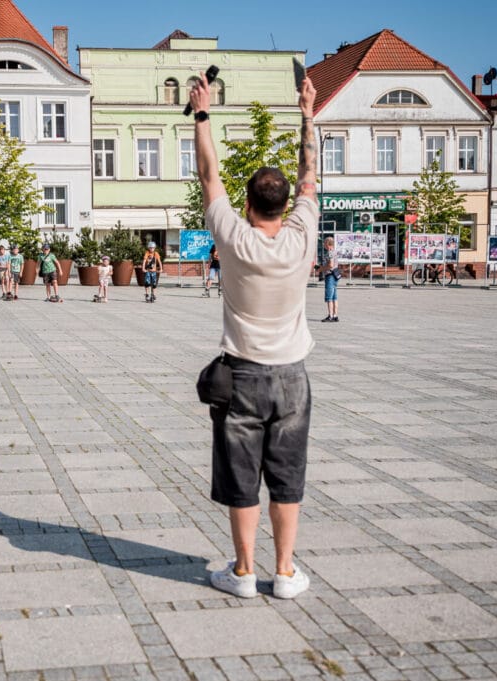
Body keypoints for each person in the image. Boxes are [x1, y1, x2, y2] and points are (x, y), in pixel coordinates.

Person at [190, 70, 319, 600]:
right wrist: (307, 112)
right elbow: (310, 171)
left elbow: (207, 174)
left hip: (241, 376)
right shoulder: (303, 231)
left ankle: (243, 571)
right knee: (286, 479)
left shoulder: (233, 237)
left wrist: (203, 111)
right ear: (287, 205)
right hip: (292, 378)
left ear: (247, 204)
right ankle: (285, 573)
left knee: (242, 478)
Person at [319, 236, 339, 322]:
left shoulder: (330, 252)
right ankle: (335, 315)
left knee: (329, 297)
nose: (323, 244)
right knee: (334, 297)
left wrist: (321, 269)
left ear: (328, 244)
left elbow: (330, 265)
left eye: (324, 243)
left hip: (330, 275)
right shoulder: (334, 252)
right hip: (335, 276)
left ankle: (330, 316)